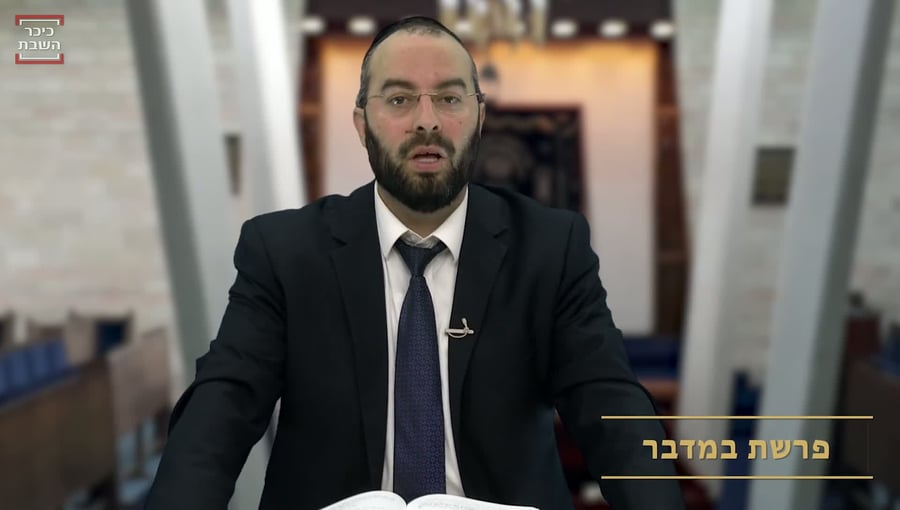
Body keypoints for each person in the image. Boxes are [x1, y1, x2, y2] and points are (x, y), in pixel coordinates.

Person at [146, 16, 684, 510]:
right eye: (400, 99)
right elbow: (221, 409)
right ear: (362, 123)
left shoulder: (550, 248)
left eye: (449, 98)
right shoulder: (284, 252)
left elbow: (612, 409)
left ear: (479, 117)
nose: (427, 122)